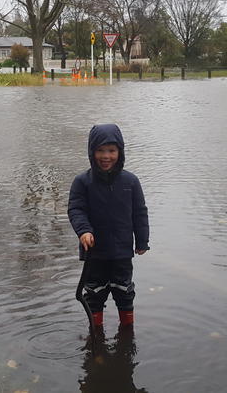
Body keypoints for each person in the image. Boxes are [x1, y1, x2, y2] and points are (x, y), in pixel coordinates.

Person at [68, 124, 150, 328]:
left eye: (112, 151)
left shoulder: (130, 181)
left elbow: (140, 213)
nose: (106, 156)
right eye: (100, 151)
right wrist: (84, 230)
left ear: (119, 152)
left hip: (122, 252)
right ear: (91, 152)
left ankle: (127, 333)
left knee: (124, 292)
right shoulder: (82, 182)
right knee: (94, 294)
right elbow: (76, 210)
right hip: (93, 252)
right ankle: (95, 333)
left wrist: (142, 241)